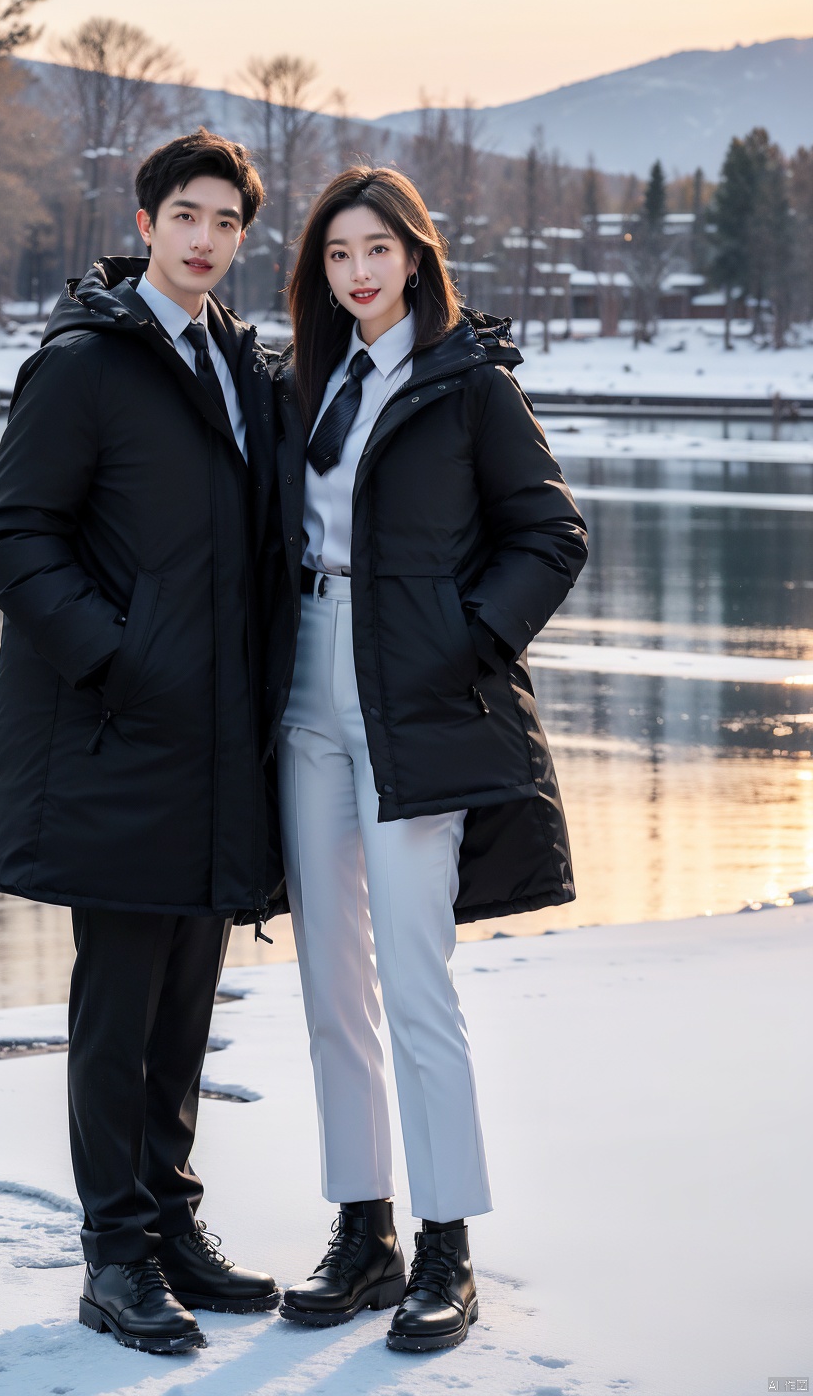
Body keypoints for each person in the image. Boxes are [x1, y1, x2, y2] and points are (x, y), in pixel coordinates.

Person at [0, 129, 284, 1355]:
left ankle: (172, 1222)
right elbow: (10, 538)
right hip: (116, 735)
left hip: (219, 743)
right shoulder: (85, 366)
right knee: (119, 1005)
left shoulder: (244, 367)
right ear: (145, 219)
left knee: (188, 1004)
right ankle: (114, 1254)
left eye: (226, 222)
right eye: (186, 215)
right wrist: (117, 655)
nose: (205, 238)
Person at [266, 167, 588, 1353]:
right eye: (337, 253)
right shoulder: (302, 379)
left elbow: (551, 533)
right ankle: (363, 1231)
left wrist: (464, 641)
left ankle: (447, 1242)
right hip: (306, 687)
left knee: (412, 977)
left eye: (376, 249)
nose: (357, 271)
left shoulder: (465, 383)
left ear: (414, 256)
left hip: (417, 702)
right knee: (327, 990)